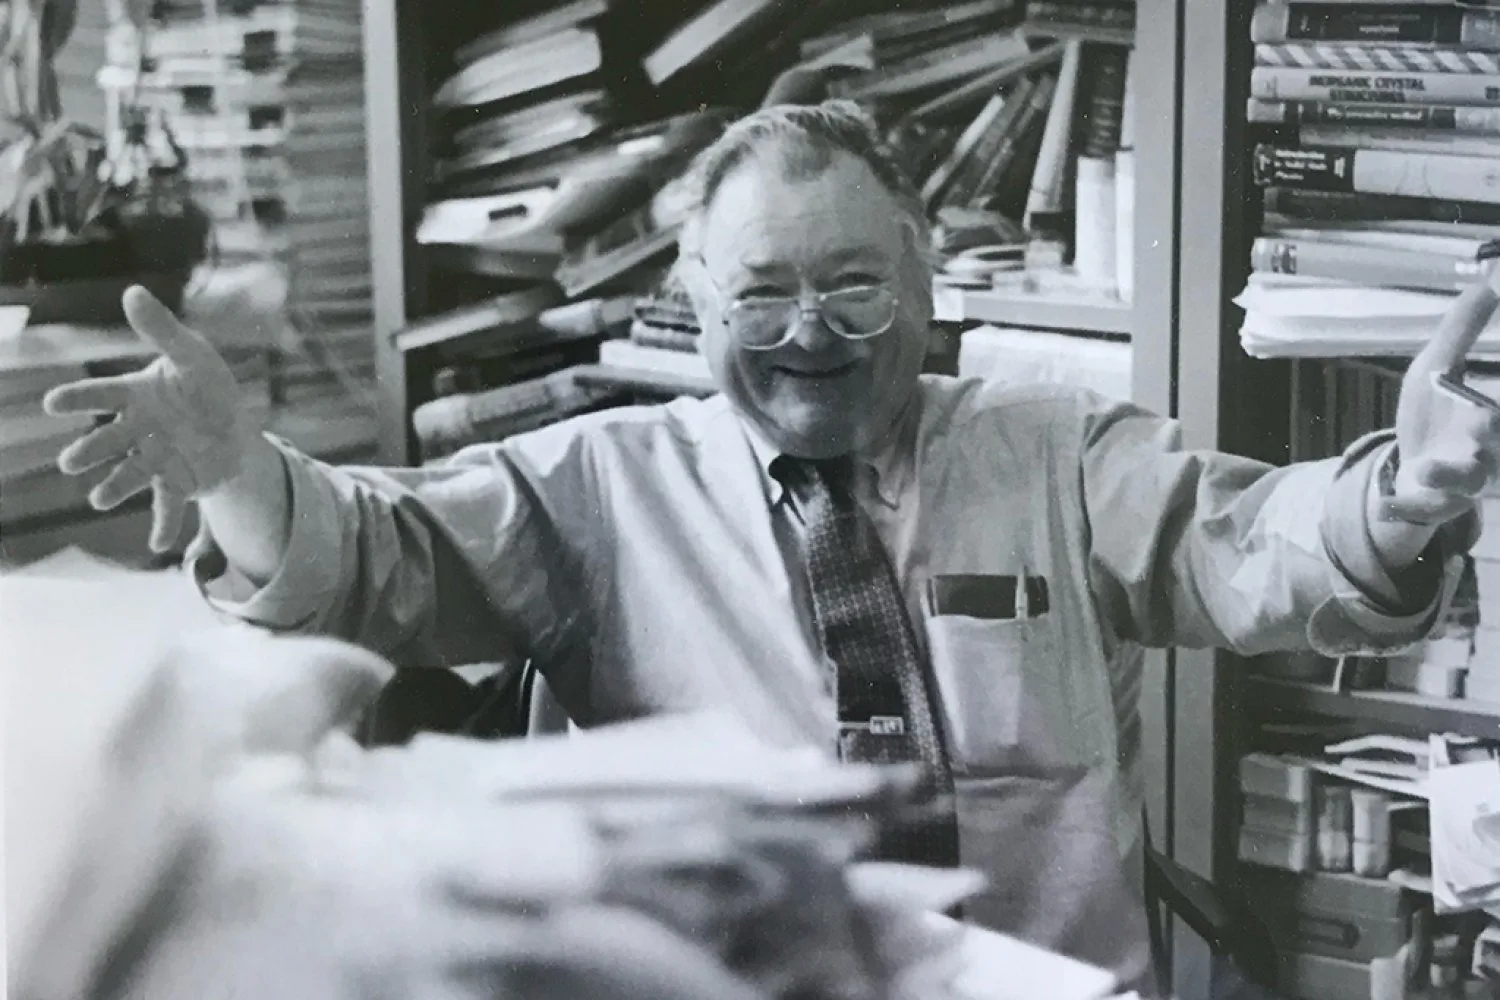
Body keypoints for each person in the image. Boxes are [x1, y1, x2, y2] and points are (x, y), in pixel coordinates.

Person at [44, 101, 1500, 996]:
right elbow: (374, 554)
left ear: (926, 281)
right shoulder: (598, 485)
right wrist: (244, 476)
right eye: (765, 294)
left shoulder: (1054, 450)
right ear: (692, 298)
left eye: (857, 288)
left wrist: (1404, 500)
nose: (811, 336)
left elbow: (1250, 539)